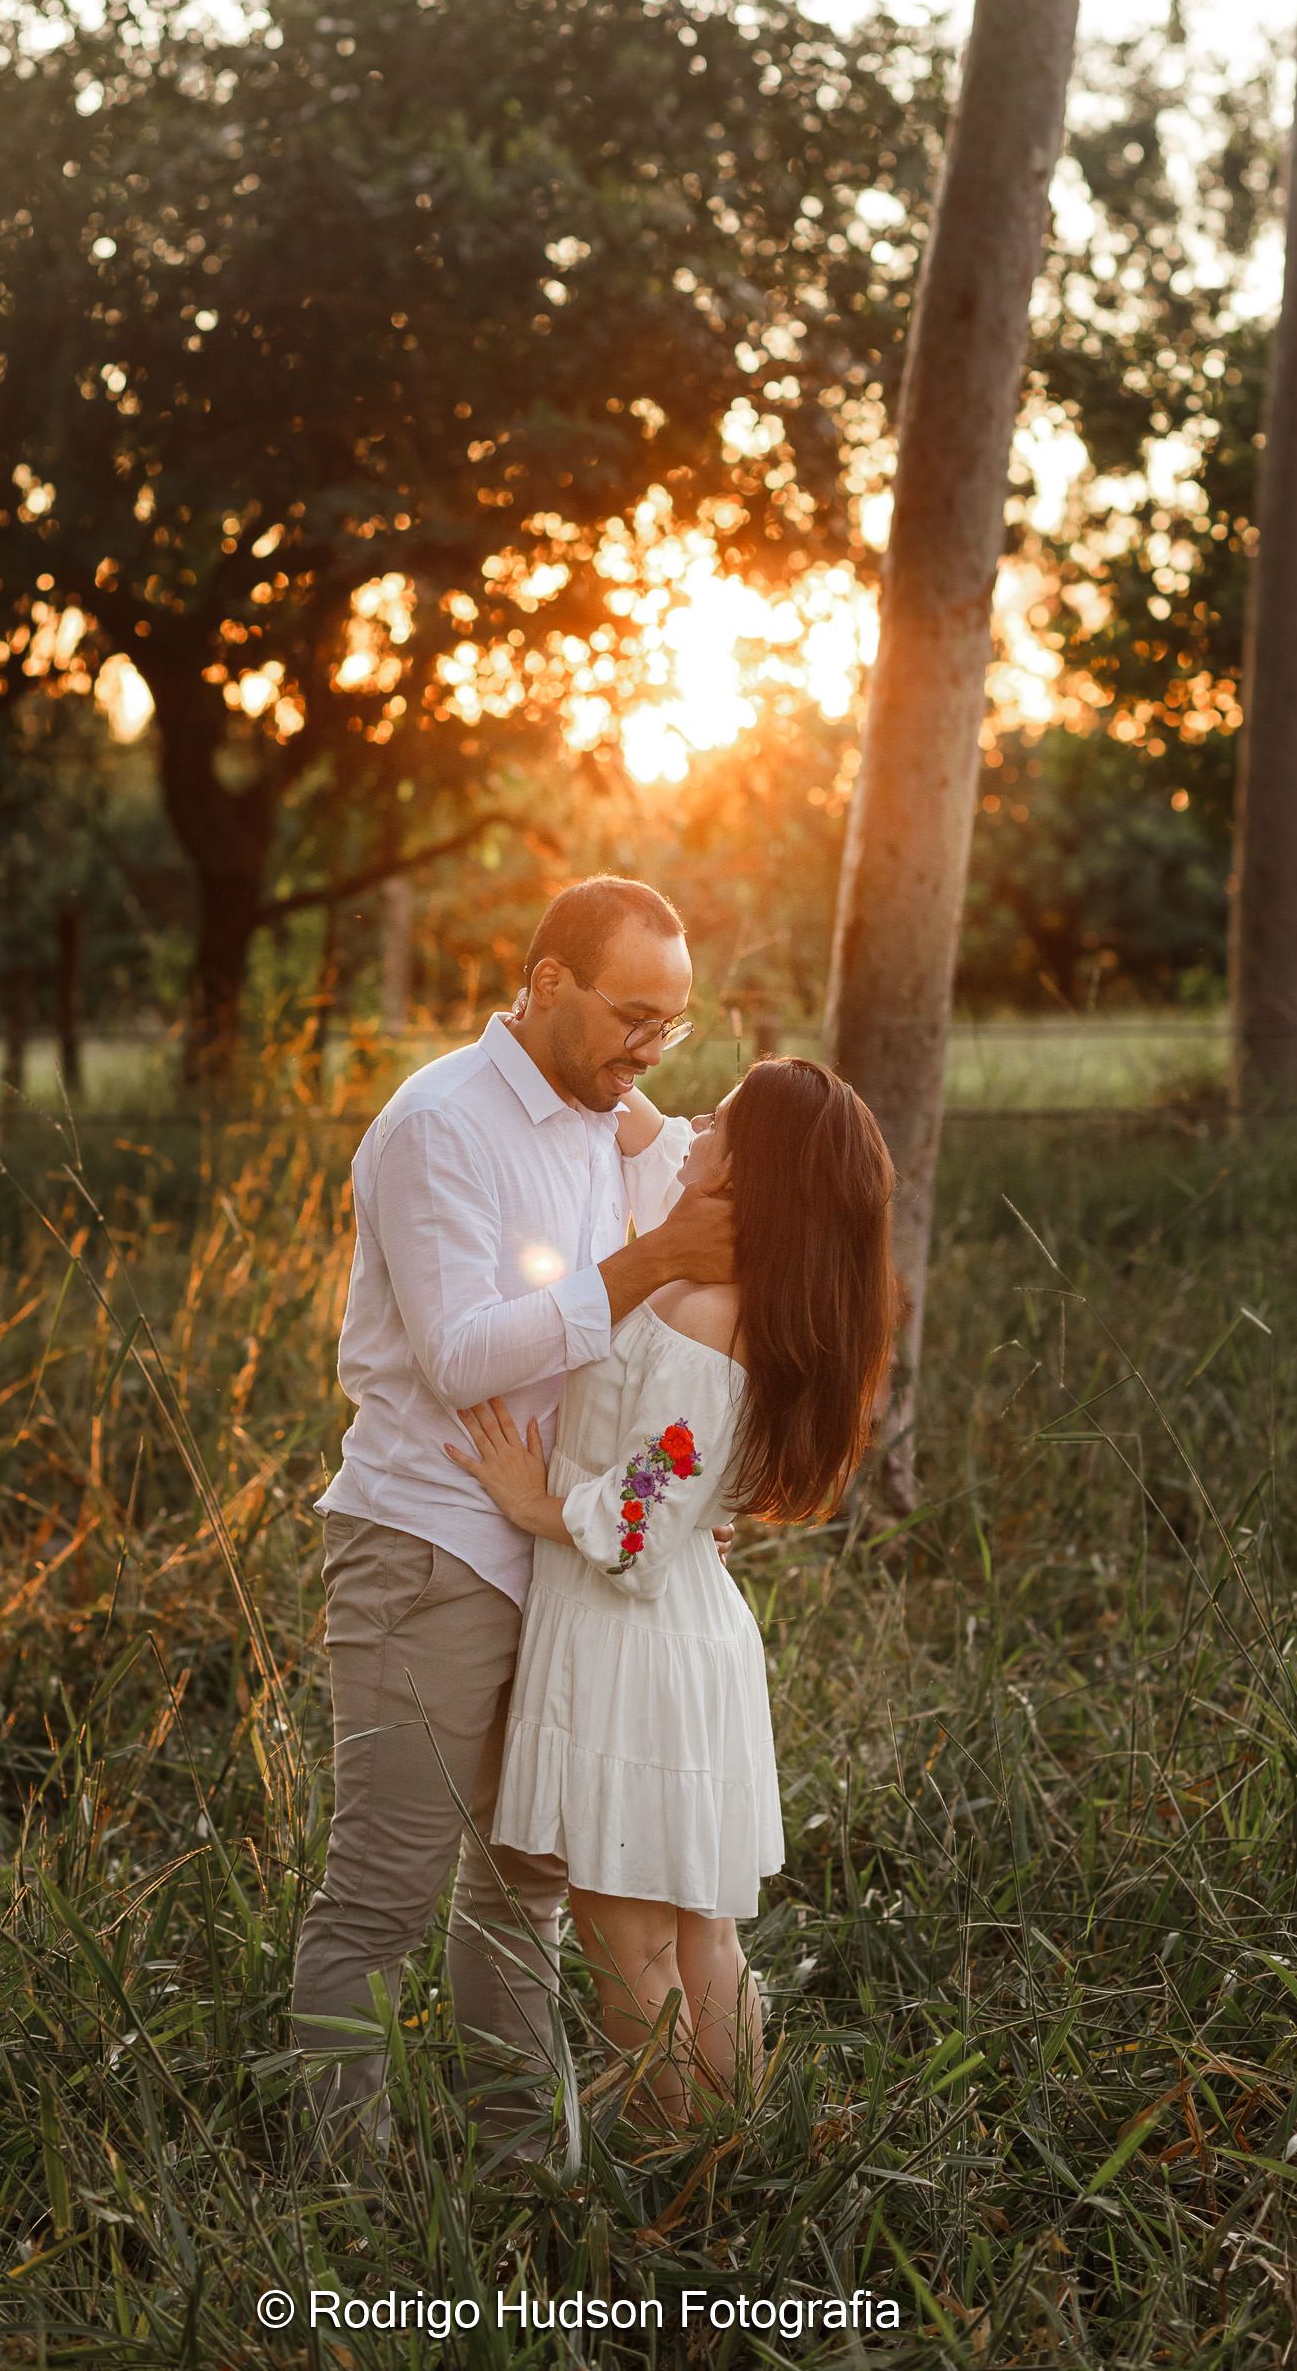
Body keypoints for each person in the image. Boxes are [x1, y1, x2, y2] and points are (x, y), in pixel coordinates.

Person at [290, 875, 738, 2161]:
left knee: (521, 1889)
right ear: (545, 987)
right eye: (632, 1015)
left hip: (557, 1556)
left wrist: (688, 1485)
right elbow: (461, 1356)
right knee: (383, 1892)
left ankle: (521, 2166)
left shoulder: (606, 1112)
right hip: (429, 1545)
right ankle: (349, 2199)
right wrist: (650, 1261)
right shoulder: (441, 1125)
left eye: (675, 1023)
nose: (650, 1048)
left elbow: (722, 1195)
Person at [444, 1056, 899, 2128]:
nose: (692, 1122)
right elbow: (649, 1129)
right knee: (700, 1936)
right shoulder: (751, 1287)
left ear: (752, 1172)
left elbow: (640, 1525)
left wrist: (530, 1496)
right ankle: (729, 2173)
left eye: (720, 1120)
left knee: (626, 1941)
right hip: (679, 1637)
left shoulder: (702, 1314)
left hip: (632, 1640)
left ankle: (670, 2184)